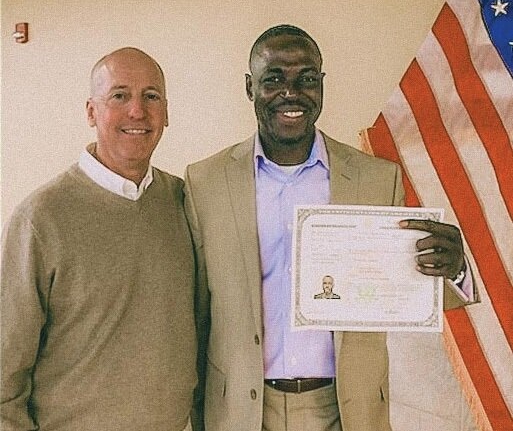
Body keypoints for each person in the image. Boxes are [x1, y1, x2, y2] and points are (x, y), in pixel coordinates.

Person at [184, 25, 476, 431]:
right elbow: (196, 314)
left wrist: (455, 270)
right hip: (241, 412)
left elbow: (408, 291)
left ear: (321, 85)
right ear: (250, 88)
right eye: (274, 79)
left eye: (306, 79)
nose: (291, 93)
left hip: (346, 410)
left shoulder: (377, 180)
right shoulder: (205, 182)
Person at [1, 47, 196, 431]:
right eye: (119, 96)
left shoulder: (184, 203)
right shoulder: (41, 219)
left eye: (151, 96)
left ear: (166, 113)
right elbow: (5, 373)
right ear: (91, 111)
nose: (137, 111)